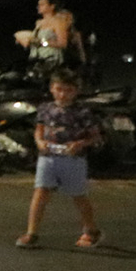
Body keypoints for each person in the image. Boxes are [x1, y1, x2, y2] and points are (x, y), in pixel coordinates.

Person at [16, 70, 103, 249]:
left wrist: (80, 144)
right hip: (47, 158)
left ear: (76, 91)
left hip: (73, 160)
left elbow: (95, 137)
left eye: (68, 90)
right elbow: (39, 129)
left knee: (78, 196)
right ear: (52, 89)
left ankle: (91, 230)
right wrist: (39, 141)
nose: (63, 94)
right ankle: (31, 233)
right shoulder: (45, 109)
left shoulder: (83, 112)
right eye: (59, 89)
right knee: (41, 192)